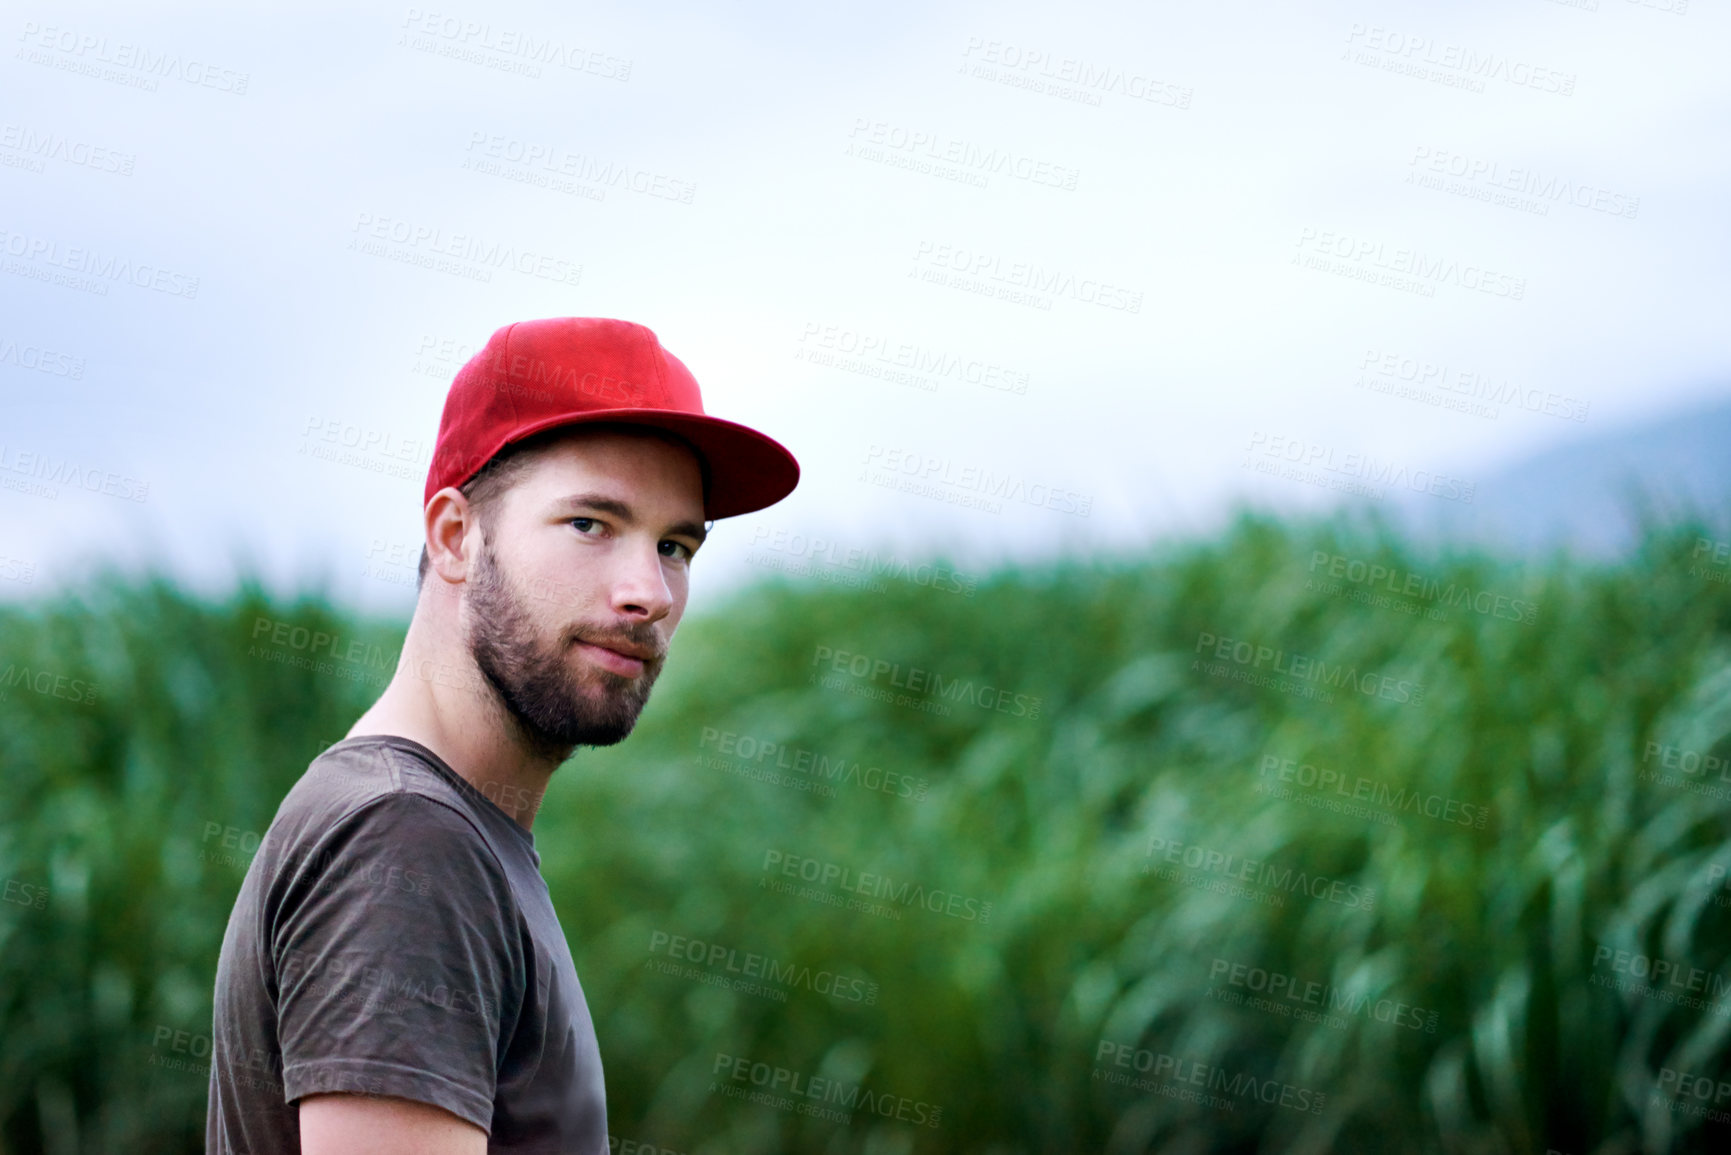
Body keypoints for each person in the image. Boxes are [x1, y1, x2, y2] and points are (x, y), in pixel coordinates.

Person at [205, 317, 800, 1154]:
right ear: (455, 536)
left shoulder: (446, 828)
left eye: (674, 545)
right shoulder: (403, 838)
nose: (650, 592)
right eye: (590, 523)